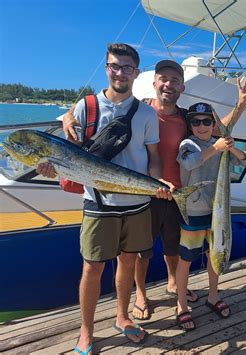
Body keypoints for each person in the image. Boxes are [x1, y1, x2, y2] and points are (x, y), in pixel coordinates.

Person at [62, 59, 246, 321]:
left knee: (173, 247)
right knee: (141, 251)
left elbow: (217, 131)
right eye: (163, 78)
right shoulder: (140, 108)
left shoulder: (186, 119)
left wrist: (241, 104)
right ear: (154, 83)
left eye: (175, 80)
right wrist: (70, 115)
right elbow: (101, 100)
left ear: (182, 87)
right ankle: (141, 294)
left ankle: (174, 284)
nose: (168, 84)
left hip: (178, 193)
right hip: (145, 191)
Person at [37, 43, 173, 354]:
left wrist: (157, 181)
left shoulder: (146, 114)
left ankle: (122, 317)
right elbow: (67, 152)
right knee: (92, 268)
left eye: (127, 68)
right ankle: (86, 331)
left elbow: (152, 157)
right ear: (106, 68)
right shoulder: (85, 107)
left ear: (136, 73)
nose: (120, 72)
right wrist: (50, 167)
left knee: (127, 262)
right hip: (98, 203)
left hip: (137, 204)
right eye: (114, 66)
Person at [175, 102, 246, 331]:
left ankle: (212, 296)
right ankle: (181, 305)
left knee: (214, 255)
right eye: (196, 122)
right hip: (194, 212)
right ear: (190, 125)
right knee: (186, 259)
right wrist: (217, 149)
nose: (202, 126)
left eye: (206, 121)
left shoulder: (219, 144)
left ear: (213, 124)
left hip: (218, 213)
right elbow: (190, 162)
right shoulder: (187, 144)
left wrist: (232, 149)